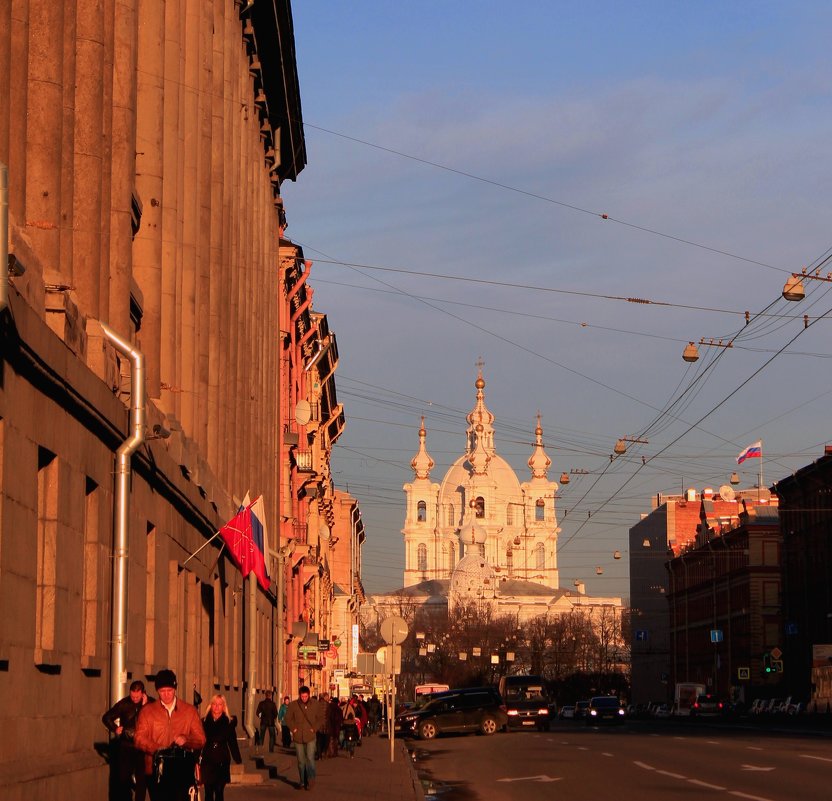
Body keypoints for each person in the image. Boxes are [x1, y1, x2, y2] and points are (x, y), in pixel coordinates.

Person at [135, 669, 206, 801]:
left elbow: (201, 739)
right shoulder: (148, 712)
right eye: (162, 691)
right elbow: (139, 738)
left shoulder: (189, 711)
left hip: (182, 769)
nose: (166, 695)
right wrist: (157, 748)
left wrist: (186, 739)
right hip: (157, 770)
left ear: (175, 689)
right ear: (157, 691)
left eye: (170, 690)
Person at [102, 679, 153, 801]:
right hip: (127, 746)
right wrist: (115, 728)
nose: (134, 699)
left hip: (142, 747)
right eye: (132, 696)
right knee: (123, 779)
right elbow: (106, 717)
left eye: (137, 696)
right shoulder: (124, 704)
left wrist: (145, 706)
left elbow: (154, 718)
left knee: (142, 779)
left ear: (143, 693)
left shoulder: (150, 703)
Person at [199, 695, 242, 801]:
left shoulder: (228, 722)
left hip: (222, 759)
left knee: (219, 791)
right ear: (210, 705)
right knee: (208, 792)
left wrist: (237, 758)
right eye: (214, 704)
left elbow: (232, 742)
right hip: (208, 759)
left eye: (220, 704)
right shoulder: (204, 721)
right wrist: (195, 758)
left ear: (224, 706)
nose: (217, 707)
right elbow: (199, 741)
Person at [284, 686, 324, 790]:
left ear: (309, 695)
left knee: (310, 758)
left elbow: (320, 718)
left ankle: (311, 779)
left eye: (306, 696)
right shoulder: (293, 705)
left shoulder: (315, 704)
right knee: (301, 761)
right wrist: (293, 729)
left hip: (310, 736)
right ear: (299, 695)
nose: (304, 698)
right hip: (298, 737)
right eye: (302, 696)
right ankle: (302, 780)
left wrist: (314, 729)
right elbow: (288, 718)